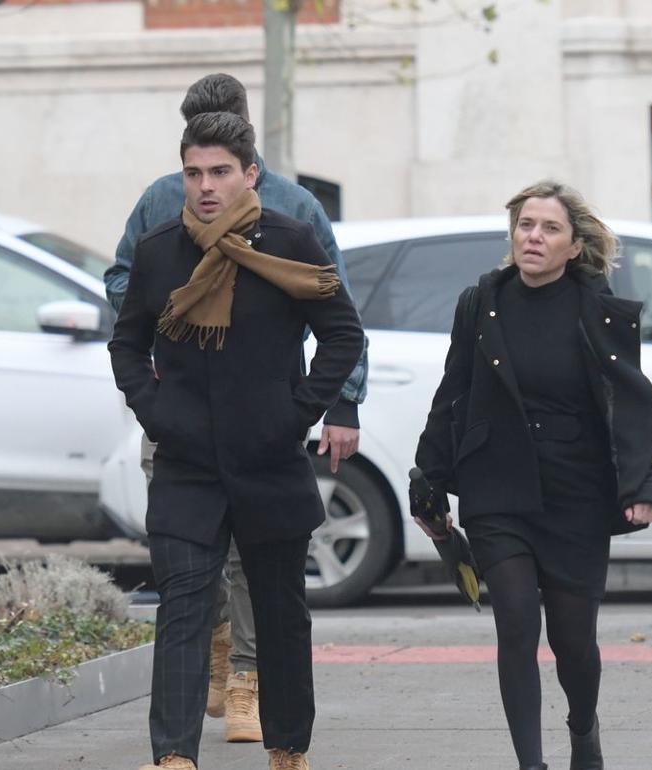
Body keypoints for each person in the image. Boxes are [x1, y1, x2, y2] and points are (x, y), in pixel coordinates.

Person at [105, 72, 369, 742]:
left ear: (248, 154)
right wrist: (158, 392)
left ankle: (251, 687)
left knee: (268, 589)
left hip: (264, 428)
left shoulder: (295, 214)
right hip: (183, 421)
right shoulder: (161, 208)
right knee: (190, 586)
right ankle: (188, 722)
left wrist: (319, 404)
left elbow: (336, 312)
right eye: (195, 166)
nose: (206, 184)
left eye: (222, 165)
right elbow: (126, 294)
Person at [413, 180, 652, 770]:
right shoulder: (482, 301)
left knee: (573, 643)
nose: (534, 237)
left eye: (550, 228)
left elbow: (630, 401)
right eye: (526, 225)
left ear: (575, 245)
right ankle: (531, 764)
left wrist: (642, 486)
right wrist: (428, 476)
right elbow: (454, 390)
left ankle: (583, 730)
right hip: (496, 489)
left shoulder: (598, 308)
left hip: (576, 494)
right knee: (517, 623)